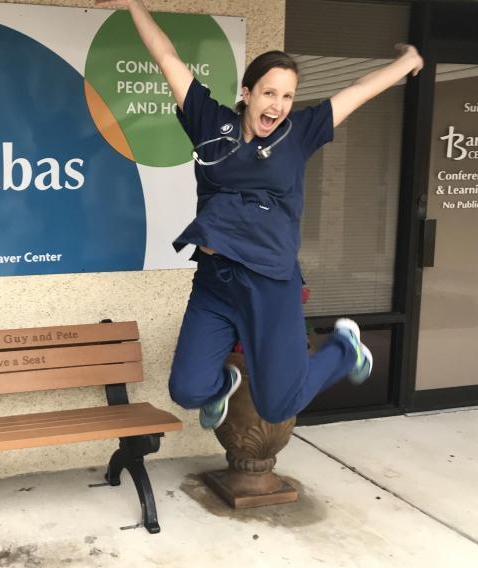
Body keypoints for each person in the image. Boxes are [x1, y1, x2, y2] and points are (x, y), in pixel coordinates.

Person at [95, 0, 424, 428]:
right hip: (215, 282)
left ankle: (343, 348)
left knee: (277, 407)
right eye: (270, 93)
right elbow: (167, 58)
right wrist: (133, 5)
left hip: (269, 283)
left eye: (287, 96)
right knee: (187, 390)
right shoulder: (210, 123)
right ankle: (221, 386)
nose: (279, 105)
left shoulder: (299, 134)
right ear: (247, 94)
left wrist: (408, 62)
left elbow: (358, 90)